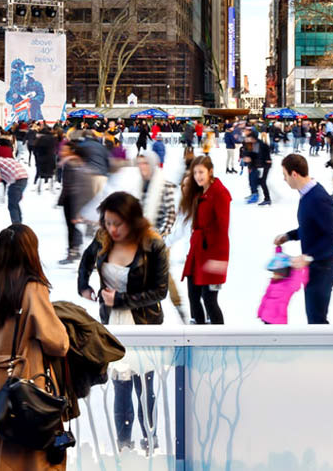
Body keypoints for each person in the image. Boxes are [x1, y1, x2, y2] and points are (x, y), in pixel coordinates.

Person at [0, 224, 72, 471]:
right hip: (23, 383)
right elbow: (58, 344)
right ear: (31, 253)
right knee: (24, 457)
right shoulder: (32, 289)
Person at [78, 192, 169, 453]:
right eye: (108, 222)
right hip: (114, 324)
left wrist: (120, 300)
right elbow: (86, 261)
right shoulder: (103, 238)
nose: (112, 229)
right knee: (121, 385)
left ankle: (150, 440)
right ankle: (124, 446)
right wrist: (83, 285)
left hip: (144, 323)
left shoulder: (154, 245)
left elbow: (159, 291)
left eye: (118, 223)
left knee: (144, 385)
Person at [276, 152, 333, 324]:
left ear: (294, 174)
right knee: (314, 317)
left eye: (285, 175)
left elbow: (332, 238)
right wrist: (289, 236)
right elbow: (311, 227)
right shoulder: (307, 194)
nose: (284, 179)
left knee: (316, 320)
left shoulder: (318, 198)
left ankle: (326, 350)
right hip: (316, 266)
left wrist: (309, 256)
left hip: (324, 267)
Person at [180, 156, 231, 324]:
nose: (198, 176)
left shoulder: (219, 193)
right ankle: (198, 331)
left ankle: (218, 337)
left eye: (201, 172)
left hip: (212, 255)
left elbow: (223, 230)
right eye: (195, 173)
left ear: (210, 171)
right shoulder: (200, 192)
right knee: (193, 296)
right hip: (197, 253)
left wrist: (218, 261)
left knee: (209, 299)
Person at [257, 246, 310, 324]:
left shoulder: (288, 286)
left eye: (276, 272)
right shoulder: (273, 283)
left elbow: (296, 281)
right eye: (273, 272)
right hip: (265, 317)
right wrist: (278, 249)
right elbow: (279, 260)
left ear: (283, 274)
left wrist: (298, 269)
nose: (274, 274)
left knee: (274, 335)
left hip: (276, 321)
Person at [0, 138, 31, 227]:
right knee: (14, 200)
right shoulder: (9, 148)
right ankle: (18, 221)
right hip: (16, 172)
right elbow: (12, 157)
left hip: (10, 174)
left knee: (12, 202)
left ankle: (16, 224)